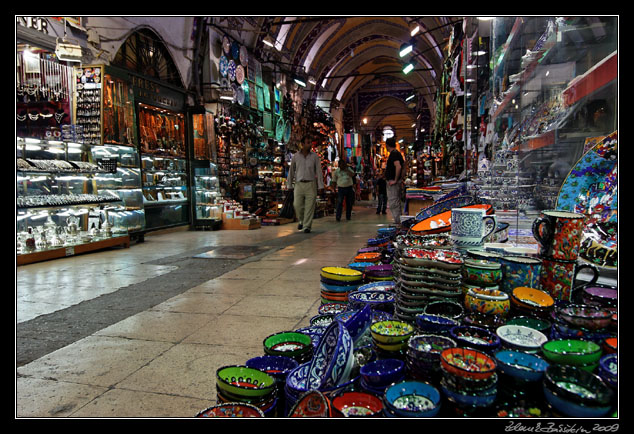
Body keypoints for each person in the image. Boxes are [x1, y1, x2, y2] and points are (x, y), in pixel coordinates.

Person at [286, 136, 324, 233]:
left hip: (311, 184)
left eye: (310, 142)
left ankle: (307, 226)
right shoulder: (296, 156)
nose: (310, 145)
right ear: (302, 144)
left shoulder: (315, 157)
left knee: (309, 206)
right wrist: (289, 185)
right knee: (297, 205)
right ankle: (302, 220)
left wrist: (321, 186)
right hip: (299, 184)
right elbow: (291, 171)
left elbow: (319, 172)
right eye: (308, 142)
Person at [385, 137, 404, 225]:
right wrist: (401, 178)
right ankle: (398, 220)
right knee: (395, 201)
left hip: (393, 182)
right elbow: (403, 167)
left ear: (387, 145)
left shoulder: (394, 154)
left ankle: (398, 222)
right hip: (396, 181)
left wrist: (396, 180)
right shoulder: (397, 154)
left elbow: (398, 166)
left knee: (393, 202)